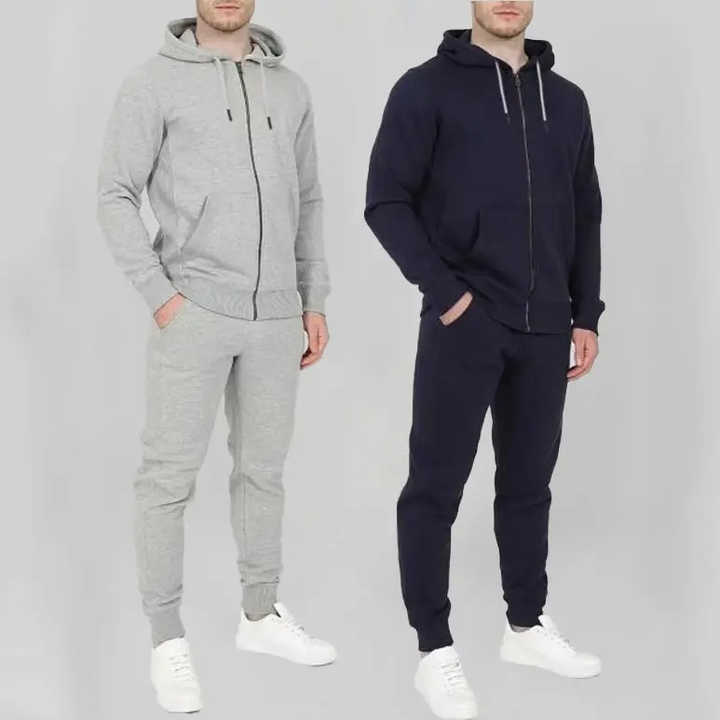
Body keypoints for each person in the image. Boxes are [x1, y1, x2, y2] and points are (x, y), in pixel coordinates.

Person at [365, 2, 604, 717]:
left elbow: (586, 211)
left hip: (546, 327)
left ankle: (525, 624)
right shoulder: (425, 88)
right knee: (434, 489)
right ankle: (434, 651)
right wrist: (448, 296)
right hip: (464, 324)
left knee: (529, 486)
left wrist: (584, 313)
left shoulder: (567, 100)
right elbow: (385, 200)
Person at [97, 0, 334, 712]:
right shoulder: (152, 83)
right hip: (194, 309)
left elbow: (310, 200)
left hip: (276, 317)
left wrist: (313, 299)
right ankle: (167, 640)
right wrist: (161, 296)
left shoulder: (289, 88)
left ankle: (260, 614)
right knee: (167, 479)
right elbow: (114, 194)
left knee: (263, 472)